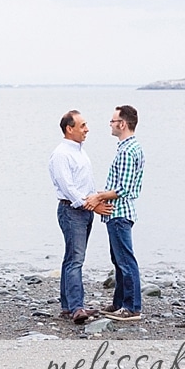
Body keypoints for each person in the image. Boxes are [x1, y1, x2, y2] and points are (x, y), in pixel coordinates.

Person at [49, 110, 113, 324]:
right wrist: (91, 205)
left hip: (83, 210)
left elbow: (85, 183)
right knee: (76, 259)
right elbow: (68, 187)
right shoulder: (61, 154)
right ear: (70, 128)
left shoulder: (80, 151)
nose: (87, 129)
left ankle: (68, 306)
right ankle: (77, 307)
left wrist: (96, 199)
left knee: (71, 258)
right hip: (72, 210)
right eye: (82, 125)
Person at [85, 105, 145, 322]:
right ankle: (119, 303)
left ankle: (131, 307)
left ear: (123, 123)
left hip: (120, 212)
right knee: (119, 259)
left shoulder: (128, 150)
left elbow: (124, 189)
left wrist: (99, 197)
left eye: (113, 121)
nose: (110, 124)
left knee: (126, 260)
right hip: (117, 212)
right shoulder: (126, 148)